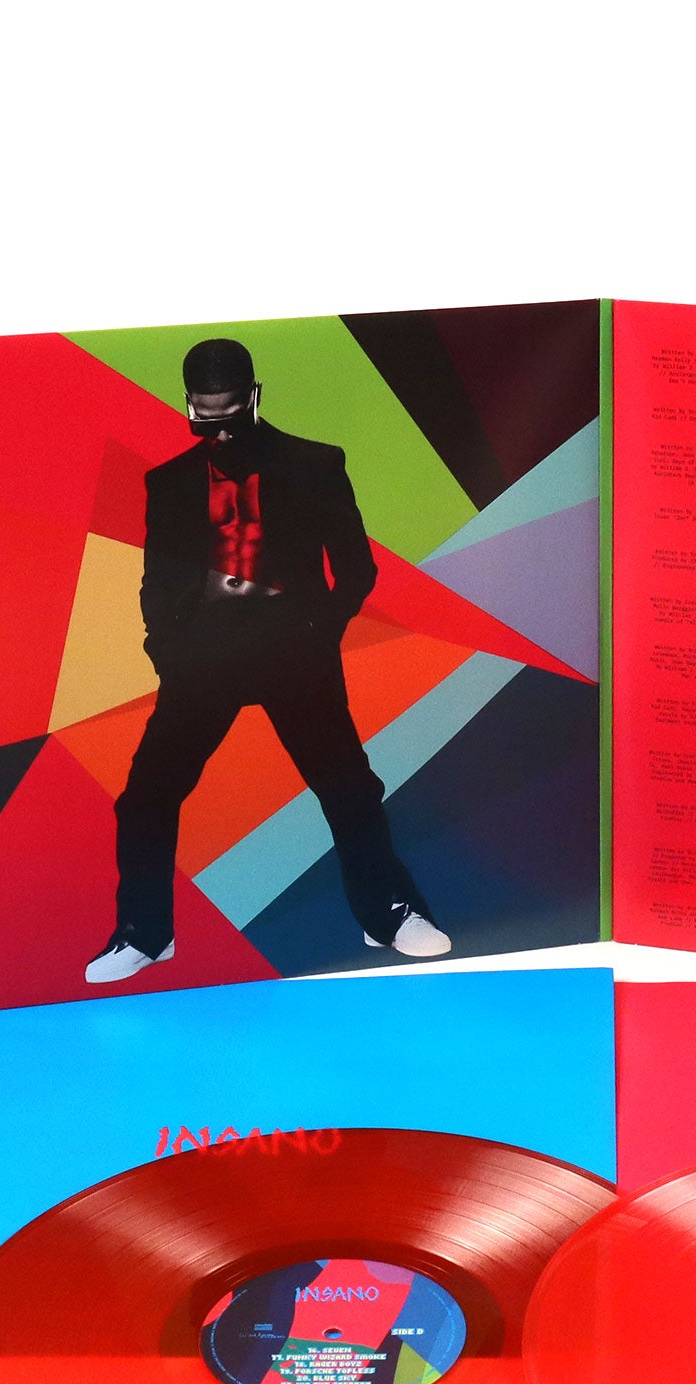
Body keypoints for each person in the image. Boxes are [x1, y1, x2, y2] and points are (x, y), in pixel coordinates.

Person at [85, 338, 450, 982]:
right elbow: (157, 581)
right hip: (204, 656)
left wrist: (318, 634)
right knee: (146, 797)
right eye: (205, 418)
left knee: (348, 787)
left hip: (292, 649)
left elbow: (357, 568)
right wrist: (166, 650)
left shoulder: (315, 464)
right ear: (189, 405)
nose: (219, 431)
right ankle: (144, 932)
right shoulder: (167, 483)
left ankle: (388, 914)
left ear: (254, 397)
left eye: (230, 414)